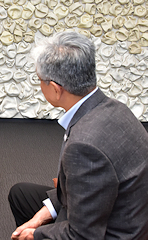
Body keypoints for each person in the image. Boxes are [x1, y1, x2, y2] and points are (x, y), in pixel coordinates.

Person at [8, 32, 148, 239]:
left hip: (111, 232)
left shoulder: (85, 146)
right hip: (118, 210)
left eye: (40, 80)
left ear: (56, 89)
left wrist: (36, 234)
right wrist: (42, 215)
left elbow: (83, 235)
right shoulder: (117, 108)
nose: (39, 86)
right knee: (21, 194)